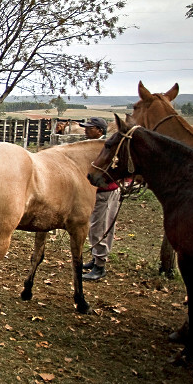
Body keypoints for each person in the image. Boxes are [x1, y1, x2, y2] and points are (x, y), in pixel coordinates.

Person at [80, 116, 120, 281]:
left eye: (90, 128)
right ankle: (96, 258)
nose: (85, 130)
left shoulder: (105, 148)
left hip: (106, 191)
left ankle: (100, 266)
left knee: (101, 227)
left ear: (99, 131)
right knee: (95, 226)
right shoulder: (91, 146)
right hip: (97, 192)